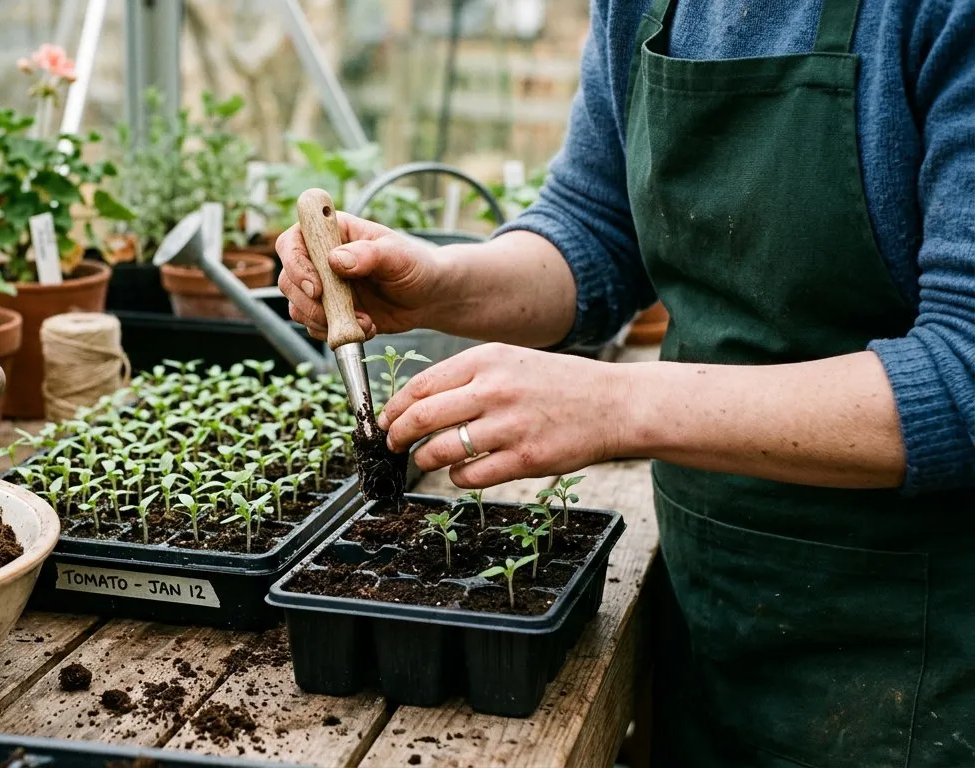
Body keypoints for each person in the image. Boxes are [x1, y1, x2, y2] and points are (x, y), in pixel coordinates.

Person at [275, 0, 975, 765]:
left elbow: (963, 372)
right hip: (715, 597)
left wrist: (615, 405)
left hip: (918, 641)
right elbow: (597, 228)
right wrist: (440, 282)